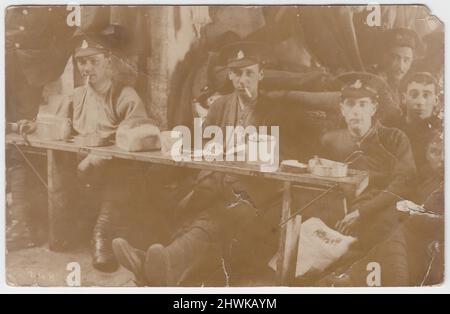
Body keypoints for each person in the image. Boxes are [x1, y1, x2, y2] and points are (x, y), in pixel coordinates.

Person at [112, 41, 303, 286]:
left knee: (215, 216)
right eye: (236, 73)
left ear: (261, 75)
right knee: (182, 202)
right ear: (231, 76)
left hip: (253, 194)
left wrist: (261, 152)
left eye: (249, 73)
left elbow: (290, 156)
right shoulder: (221, 105)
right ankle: (155, 262)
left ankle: (159, 262)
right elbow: (204, 148)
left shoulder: (276, 109)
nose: (243, 80)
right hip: (214, 183)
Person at [56, 27, 148, 272]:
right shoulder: (75, 97)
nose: (86, 69)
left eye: (93, 61)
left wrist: (95, 157)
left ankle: (101, 236)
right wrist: (63, 119)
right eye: (81, 62)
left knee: (122, 172)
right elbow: (60, 134)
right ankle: (84, 228)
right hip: (82, 175)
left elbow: (136, 138)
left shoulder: (124, 96)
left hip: (115, 175)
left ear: (108, 61)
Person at [318, 72, 417, 286]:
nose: (357, 111)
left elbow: (404, 182)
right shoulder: (330, 141)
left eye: (363, 104)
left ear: (373, 108)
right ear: (342, 109)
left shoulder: (394, 138)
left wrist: (363, 212)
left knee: (385, 234)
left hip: (381, 212)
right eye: (351, 104)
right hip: (340, 213)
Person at [6, 6, 75, 251]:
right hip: (6, 69)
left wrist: (47, 71)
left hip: (31, 75)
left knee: (22, 146)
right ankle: (16, 220)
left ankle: (24, 225)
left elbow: (68, 35)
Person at [400, 72, 442, 180]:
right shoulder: (392, 129)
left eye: (426, 95)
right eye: (414, 95)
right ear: (404, 99)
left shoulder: (441, 134)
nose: (420, 102)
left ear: (436, 100)